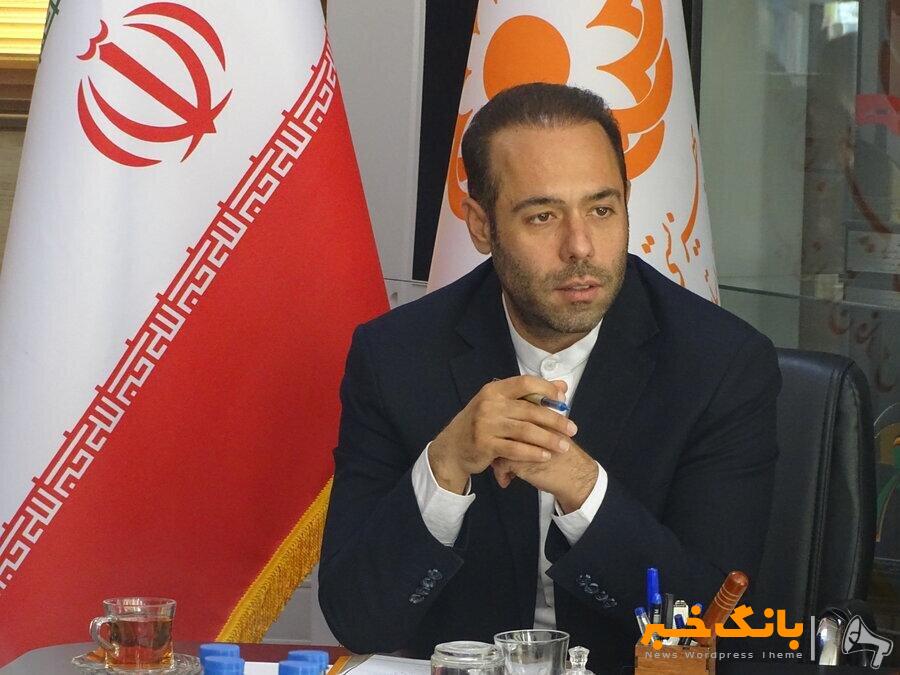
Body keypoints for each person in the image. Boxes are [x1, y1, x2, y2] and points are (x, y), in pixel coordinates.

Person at [318, 83, 780, 671]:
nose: (580, 247)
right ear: (481, 226)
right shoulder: (397, 357)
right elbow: (359, 619)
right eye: (542, 216)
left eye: (601, 209)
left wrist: (584, 489)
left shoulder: (720, 363)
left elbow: (718, 626)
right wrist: (445, 465)